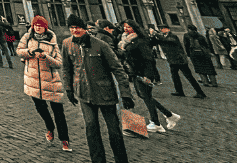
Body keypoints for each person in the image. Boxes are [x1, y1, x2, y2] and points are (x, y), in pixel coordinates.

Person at [62, 14, 134, 163]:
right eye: (71, 28)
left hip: (104, 92)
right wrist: (68, 88)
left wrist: (125, 93)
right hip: (83, 93)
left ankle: (121, 160)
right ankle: (98, 160)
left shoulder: (100, 44)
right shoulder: (67, 44)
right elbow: (67, 68)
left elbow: (117, 69)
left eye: (77, 27)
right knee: (91, 128)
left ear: (84, 28)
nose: (74, 30)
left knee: (114, 130)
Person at [17, 15, 71, 152]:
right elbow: (19, 51)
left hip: (51, 80)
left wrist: (46, 57)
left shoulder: (52, 41)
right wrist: (29, 52)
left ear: (45, 27)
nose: (38, 28)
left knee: (58, 111)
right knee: (41, 108)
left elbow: (59, 63)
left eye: (40, 26)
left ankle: (65, 139)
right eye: (36, 25)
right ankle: (50, 127)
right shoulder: (27, 37)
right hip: (33, 80)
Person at [118, 19, 178, 134]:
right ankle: (169, 115)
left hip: (142, 72)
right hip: (135, 71)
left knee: (146, 96)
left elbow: (148, 59)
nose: (126, 29)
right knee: (145, 96)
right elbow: (127, 54)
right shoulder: (127, 40)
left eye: (129, 27)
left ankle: (156, 124)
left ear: (135, 27)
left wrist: (148, 76)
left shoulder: (140, 40)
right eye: (125, 27)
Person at [150, 23, 207, 98]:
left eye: (162, 28)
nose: (161, 30)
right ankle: (179, 91)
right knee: (175, 76)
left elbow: (168, 40)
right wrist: (152, 36)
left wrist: (156, 34)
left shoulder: (172, 36)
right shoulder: (163, 37)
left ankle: (200, 92)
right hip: (172, 60)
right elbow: (153, 43)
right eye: (160, 29)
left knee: (189, 76)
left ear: (167, 29)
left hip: (180, 60)